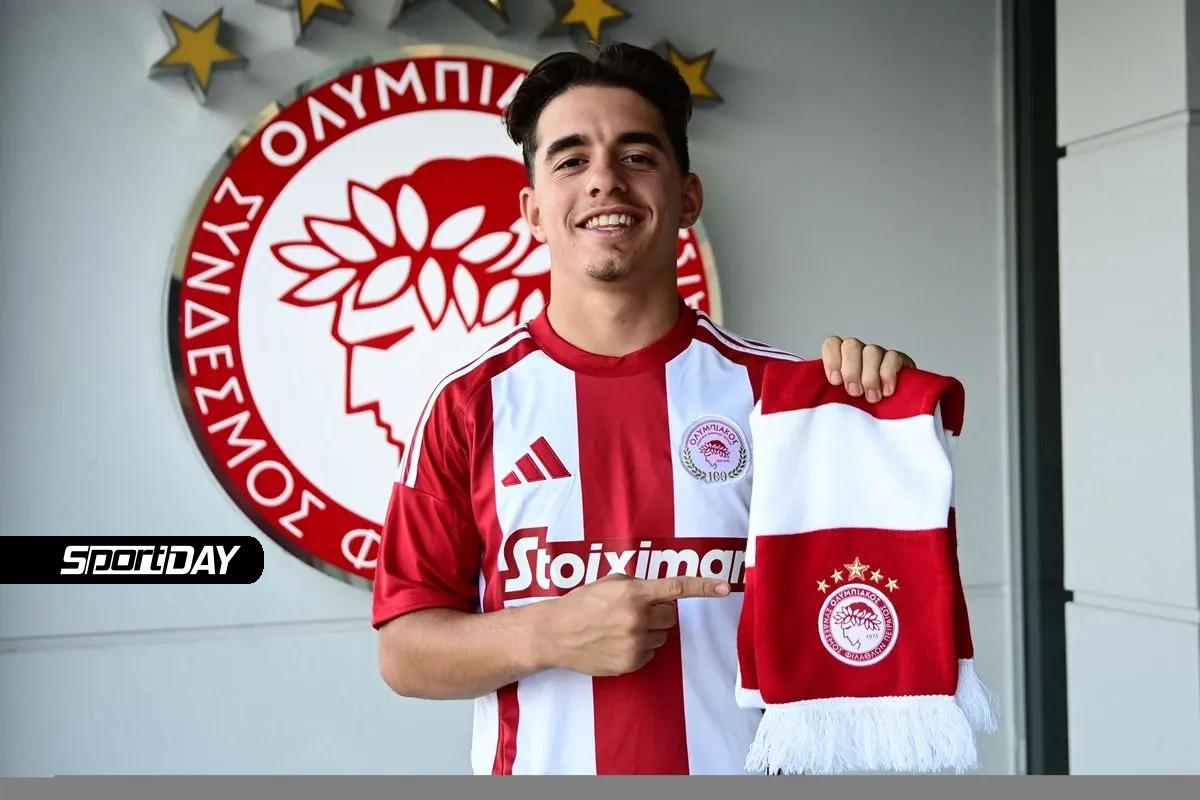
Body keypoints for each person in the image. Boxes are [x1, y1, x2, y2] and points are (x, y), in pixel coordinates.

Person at [370, 42, 918, 775]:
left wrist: (882, 415)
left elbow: (868, 603)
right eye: (571, 160)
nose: (604, 179)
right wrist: (549, 633)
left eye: (636, 156)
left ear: (688, 197)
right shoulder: (468, 404)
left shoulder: (786, 398)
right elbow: (404, 652)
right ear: (533, 211)